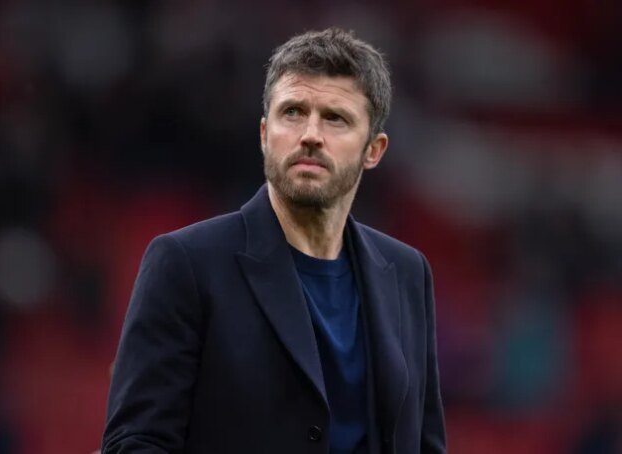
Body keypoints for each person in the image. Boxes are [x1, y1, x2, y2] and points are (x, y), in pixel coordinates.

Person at [102, 27, 446, 454]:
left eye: (335, 118)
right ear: (265, 133)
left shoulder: (408, 273)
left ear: (373, 150)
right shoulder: (186, 263)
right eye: (293, 112)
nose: (311, 134)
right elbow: (137, 443)